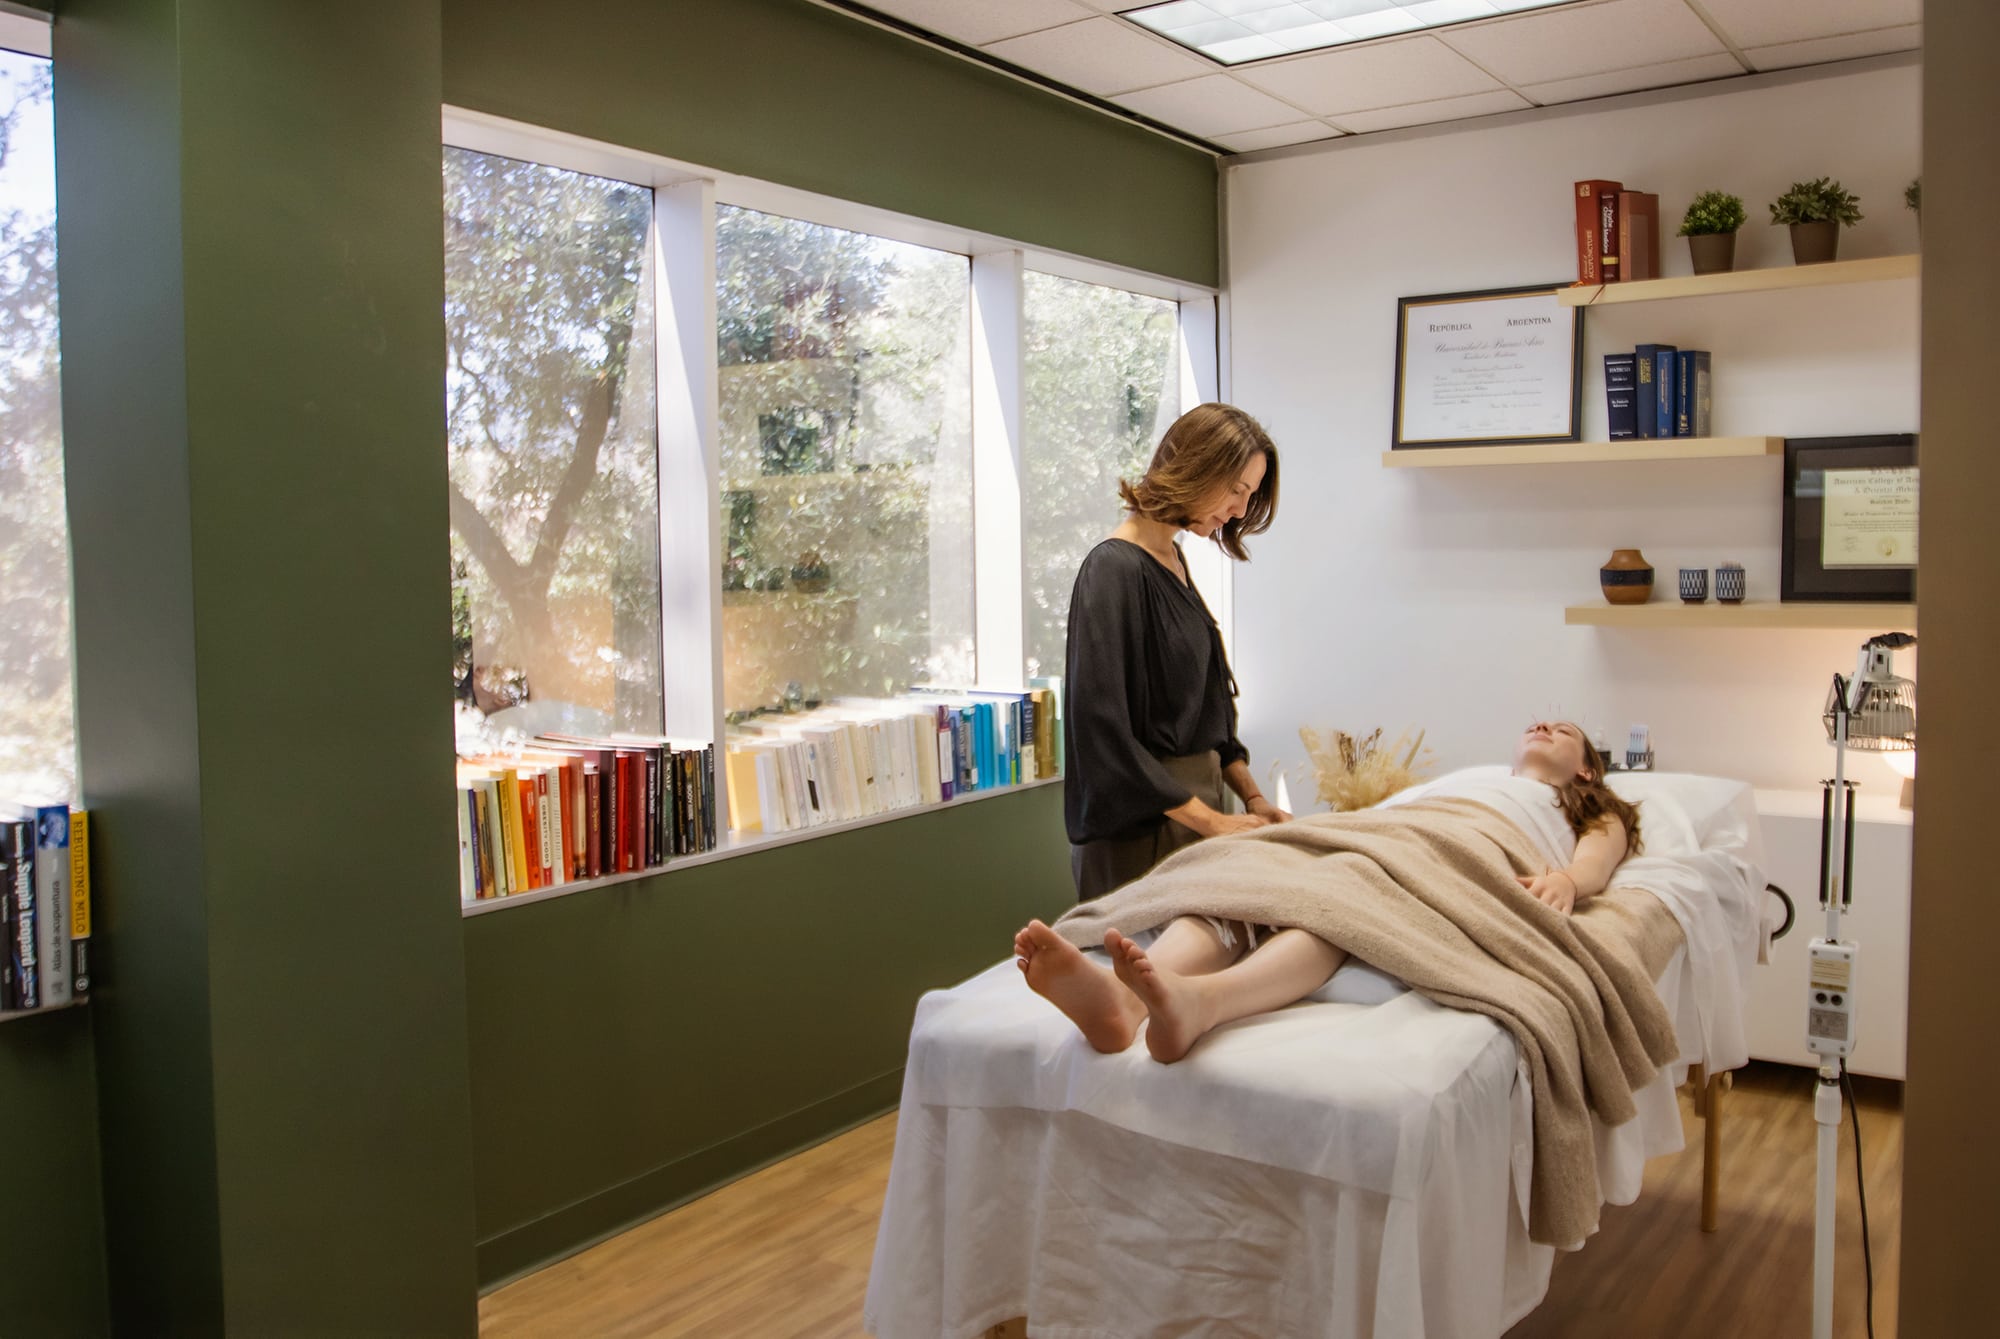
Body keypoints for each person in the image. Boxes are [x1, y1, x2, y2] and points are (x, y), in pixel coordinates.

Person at [1016, 720, 1644, 1063]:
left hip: (1472, 849)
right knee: (1251, 880)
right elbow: (1389, 820)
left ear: (1586, 767)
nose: (1541, 726)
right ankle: (1123, 1005)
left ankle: (1203, 1002)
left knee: (1340, 905)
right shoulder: (1464, 782)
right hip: (1397, 831)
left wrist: (1565, 879)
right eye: (1536, 724)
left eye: (1561, 731)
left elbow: (1599, 858)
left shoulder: (1584, 803)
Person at [1063, 402, 1285, 902]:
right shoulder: (1113, 570)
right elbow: (1102, 735)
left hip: (1199, 812)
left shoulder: (1173, 559)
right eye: (1236, 490)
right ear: (1197, 467)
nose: (1239, 510)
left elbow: (1209, 714)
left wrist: (1252, 797)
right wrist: (1210, 821)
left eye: (1249, 496)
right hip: (1145, 829)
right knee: (1139, 972)